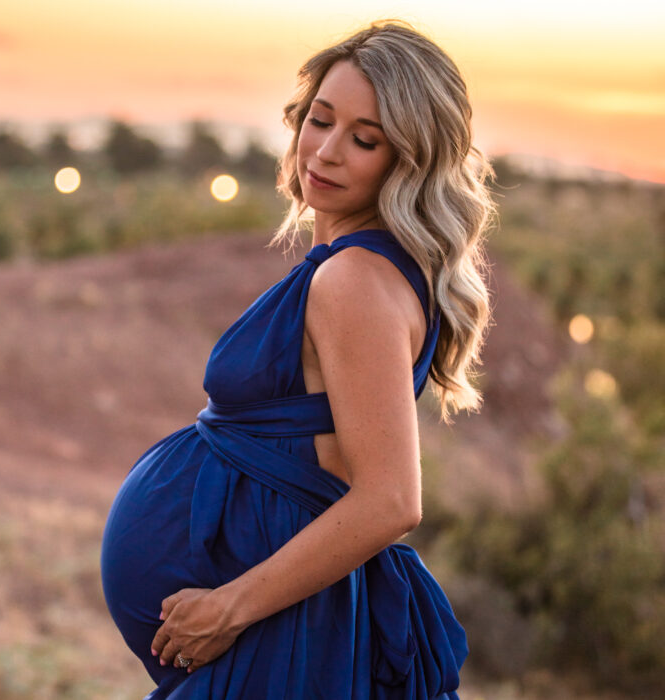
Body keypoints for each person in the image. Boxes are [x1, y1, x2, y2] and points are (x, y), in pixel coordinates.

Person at [101, 19, 496, 700]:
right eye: (320, 120)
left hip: (282, 629)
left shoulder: (355, 283)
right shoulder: (356, 270)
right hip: (280, 619)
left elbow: (391, 500)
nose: (327, 151)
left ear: (408, 162)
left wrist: (229, 607)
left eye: (365, 140)